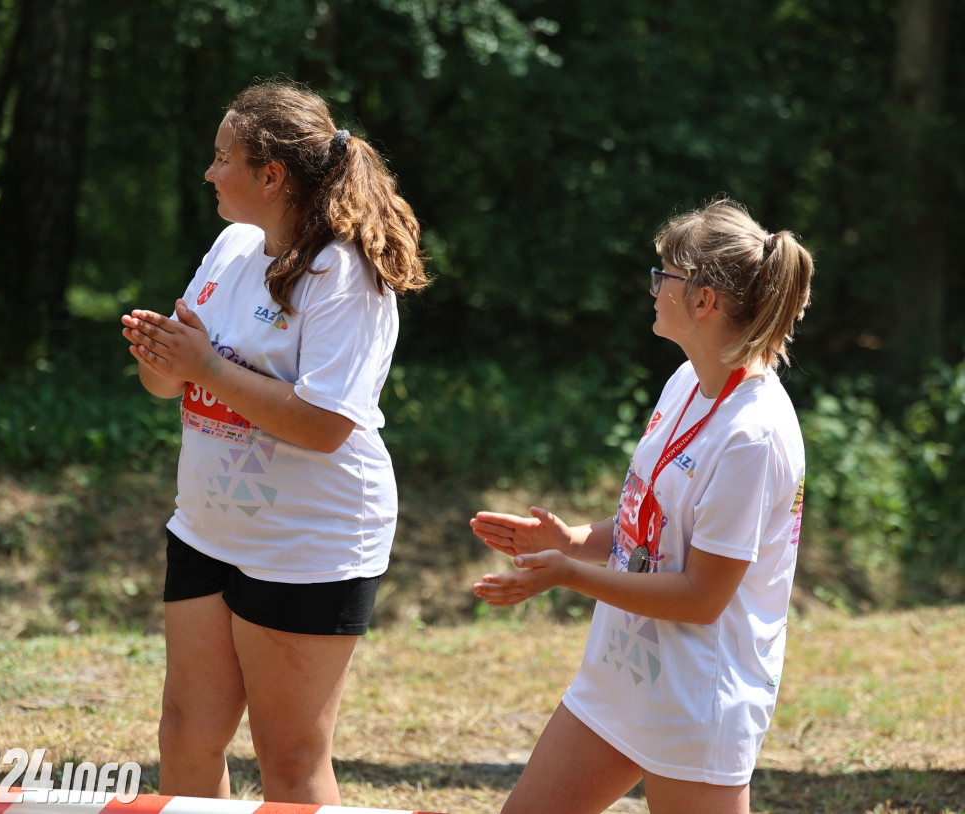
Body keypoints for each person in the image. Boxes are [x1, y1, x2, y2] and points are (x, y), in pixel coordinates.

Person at [120, 79, 429, 805]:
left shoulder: (344, 274)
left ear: (271, 175)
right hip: (205, 529)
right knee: (186, 734)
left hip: (309, 542)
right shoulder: (233, 244)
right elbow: (174, 386)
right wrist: (162, 361)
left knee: (288, 761)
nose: (208, 171)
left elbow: (325, 426)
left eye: (222, 156)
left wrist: (205, 367)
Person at [471, 197, 814, 814]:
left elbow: (701, 598)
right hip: (622, 677)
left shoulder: (753, 436)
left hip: (696, 698)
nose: (653, 288)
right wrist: (572, 541)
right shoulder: (687, 381)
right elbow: (653, 525)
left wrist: (574, 577)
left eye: (665, 276)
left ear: (705, 300)